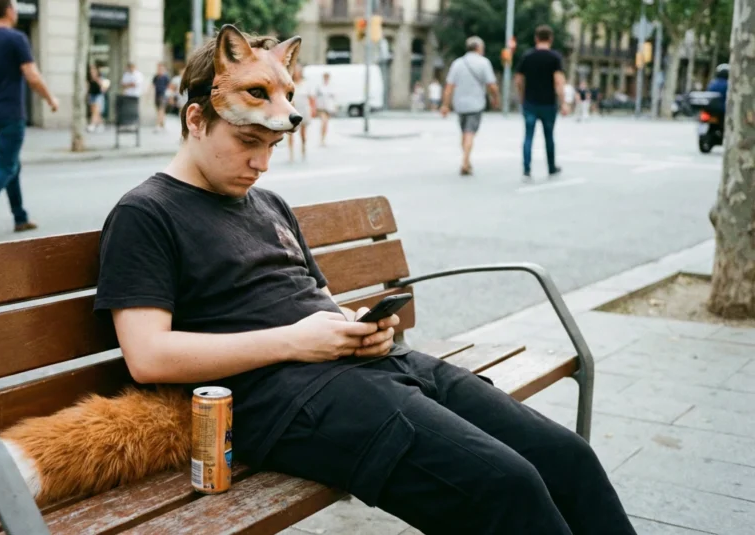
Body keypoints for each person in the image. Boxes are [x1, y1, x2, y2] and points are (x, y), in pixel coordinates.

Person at [94, 27, 637, 535]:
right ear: (195, 120)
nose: (260, 162)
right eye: (246, 142)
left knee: (567, 457)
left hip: (374, 366)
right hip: (287, 402)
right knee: (506, 487)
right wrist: (297, 341)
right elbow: (148, 356)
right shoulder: (147, 213)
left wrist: (358, 328)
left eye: (272, 146)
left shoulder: (268, 203)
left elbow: (319, 300)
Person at [0, 0, 59, 241]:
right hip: (11, 114)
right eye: (14, 6)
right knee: (6, 166)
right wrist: (50, 98)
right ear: (8, 10)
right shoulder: (17, 39)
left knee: (11, 163)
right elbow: (32, 76)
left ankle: (20, 217)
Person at [440, 36, 499, 176]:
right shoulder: (484, 63)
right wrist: (495, 98)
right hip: (476, 104)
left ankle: (466, 159)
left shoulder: (457, 63)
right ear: (479, 48)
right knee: (470, 133)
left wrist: (445, 105)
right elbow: (492, 85)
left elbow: (449, 87)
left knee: (464, 133)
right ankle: (465, 161)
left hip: (459, 104)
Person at [515, 25, 566, 181]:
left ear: (536, 38)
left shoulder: (527, 57)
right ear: (550, 39)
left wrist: (522, 96)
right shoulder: (555, 58)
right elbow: (558, 82)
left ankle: (526, 169)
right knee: (549, 136)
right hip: (548, 103)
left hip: (530, 102)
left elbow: (518, 79)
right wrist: (563, 102)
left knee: (528, 136)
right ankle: (551, 167)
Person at [287, 63, 315, 162]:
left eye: (298, 71)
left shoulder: (306, 83)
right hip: (292, 110)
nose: (296, 73)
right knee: (290, 132)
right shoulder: (289, 83)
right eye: (295, 71)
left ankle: (303, 147)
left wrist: (313, 110)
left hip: (304, 110)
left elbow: (311, 98)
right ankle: (291, 153)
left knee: (303, 133)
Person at [313, 72, 334, 146]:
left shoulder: (331, 87)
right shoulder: (319, 86)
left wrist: (334, 107)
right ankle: (321, 138)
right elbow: (315, 97)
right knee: (323, 122)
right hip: (321, 107)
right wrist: (315, 108)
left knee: (326, 124)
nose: (326, 79)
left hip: (328, 107)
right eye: (325, 77)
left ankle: (323, 137)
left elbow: (333, 98)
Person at [152, 62, 170, 131]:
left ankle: (157, 125)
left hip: (163, 95)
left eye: (161, 68)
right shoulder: (156, 77)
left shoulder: (165, 77)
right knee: (159, 110)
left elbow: (169, 86)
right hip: (157, 95)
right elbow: (152, 85)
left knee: (161, 110)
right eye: (158, 68)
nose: (159, 69)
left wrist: (169, 96)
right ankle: (162, 124)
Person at [88, 63, 105, 132]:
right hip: (92, 95)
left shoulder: (99, 77)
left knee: (95, 111)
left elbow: (103, 87)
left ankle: (92, 125)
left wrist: (97, 79)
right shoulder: (89, 78)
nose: (92, 71)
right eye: (91, 69)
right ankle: (101, 125)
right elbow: (88, 87)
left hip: (98, 95)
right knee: (94, 111)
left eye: (93, 69)